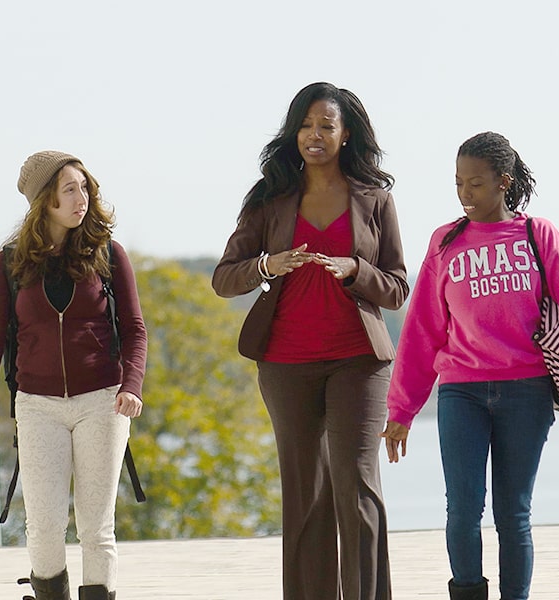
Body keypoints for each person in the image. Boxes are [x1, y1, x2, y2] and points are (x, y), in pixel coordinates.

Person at [383, 132, 559, 600]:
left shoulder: (539, 236)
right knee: (462, 509)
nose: (465, 194)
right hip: (461, 391)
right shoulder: (444, 243)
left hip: (527, 391)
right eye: (458, 183)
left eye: (476, 184)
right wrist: (401, 410)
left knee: (513, 513)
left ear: (503, 182)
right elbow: (422, 330)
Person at [212, 82, 409, 600]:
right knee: (307, 495)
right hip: (285, 362)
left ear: (347, 135)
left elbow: (397, 287)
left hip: (359, 362)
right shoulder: (269, 199)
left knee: (357, 487)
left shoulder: (375, 199)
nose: (314, 135)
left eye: (326, 125)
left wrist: (355, 269)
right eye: (305, 125)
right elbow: (224, 276)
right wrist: (266, 265)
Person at [0, 151, 148, 600]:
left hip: (101, 402)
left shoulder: (108, 253)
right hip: (37, 406)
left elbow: (135, 329)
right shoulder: (8, 264)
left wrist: (131, 384)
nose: (81, 198)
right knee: (44, 527)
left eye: (85, 187)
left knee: (95, 526)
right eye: (70, 189)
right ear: (45, 199)